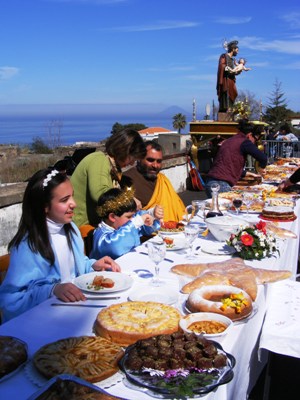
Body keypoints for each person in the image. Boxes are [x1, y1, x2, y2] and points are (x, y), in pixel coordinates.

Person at [0, 168, 120, 322]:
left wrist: (93, 265)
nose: (74, 204)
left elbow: (73, 269)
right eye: (64, 200)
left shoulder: (71, 230)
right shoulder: (28, 246)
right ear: (44, 206)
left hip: (72, 311)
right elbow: (11, 301)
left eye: (72, 196)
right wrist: (52, 290)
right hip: (43, 321)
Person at [71, 128, 146, 227]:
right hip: (82, 227)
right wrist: (130, 200)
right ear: (124, 151)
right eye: (132, 158)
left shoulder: (113, 169)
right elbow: (100, 194)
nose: (132, 163)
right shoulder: (99, 160)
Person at [121, 140, 186, 222]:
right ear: (139, 158)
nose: (155, 165)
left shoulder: (162, 179)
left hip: (173, 228)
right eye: (150, 160)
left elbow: (176, 207)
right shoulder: (126, 178)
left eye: (159, 161)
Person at [90, 188, 161, 260]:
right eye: (129, 217)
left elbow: (141, 225)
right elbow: (114, 246)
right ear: (112, 217)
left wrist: (152, 214)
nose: (132, 220)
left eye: (133, 216)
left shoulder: (128, 225)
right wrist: (136, 222)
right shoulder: (101, 235)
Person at [205, 119, 268, 197]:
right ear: (250, 135)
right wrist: (261, 169)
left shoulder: (230, 140)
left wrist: (249, 174)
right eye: (255, 139)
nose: (255, 142)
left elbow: (228, 164)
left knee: (217, 208)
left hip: (210, 182)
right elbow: (263, 158)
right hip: (221, 184)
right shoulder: (244, 141)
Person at [216, 40, 240, 113]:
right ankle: (225, 109)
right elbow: (221, 65)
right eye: (237, 50)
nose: (238, 52)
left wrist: (237, 72)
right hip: (225, 80)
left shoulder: (232, 59)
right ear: (233, 49)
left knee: (233, 93)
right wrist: (226, 68)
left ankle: (230, 109)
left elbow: (233, 71)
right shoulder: (224, 56)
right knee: (226, 94)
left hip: (231, 80)